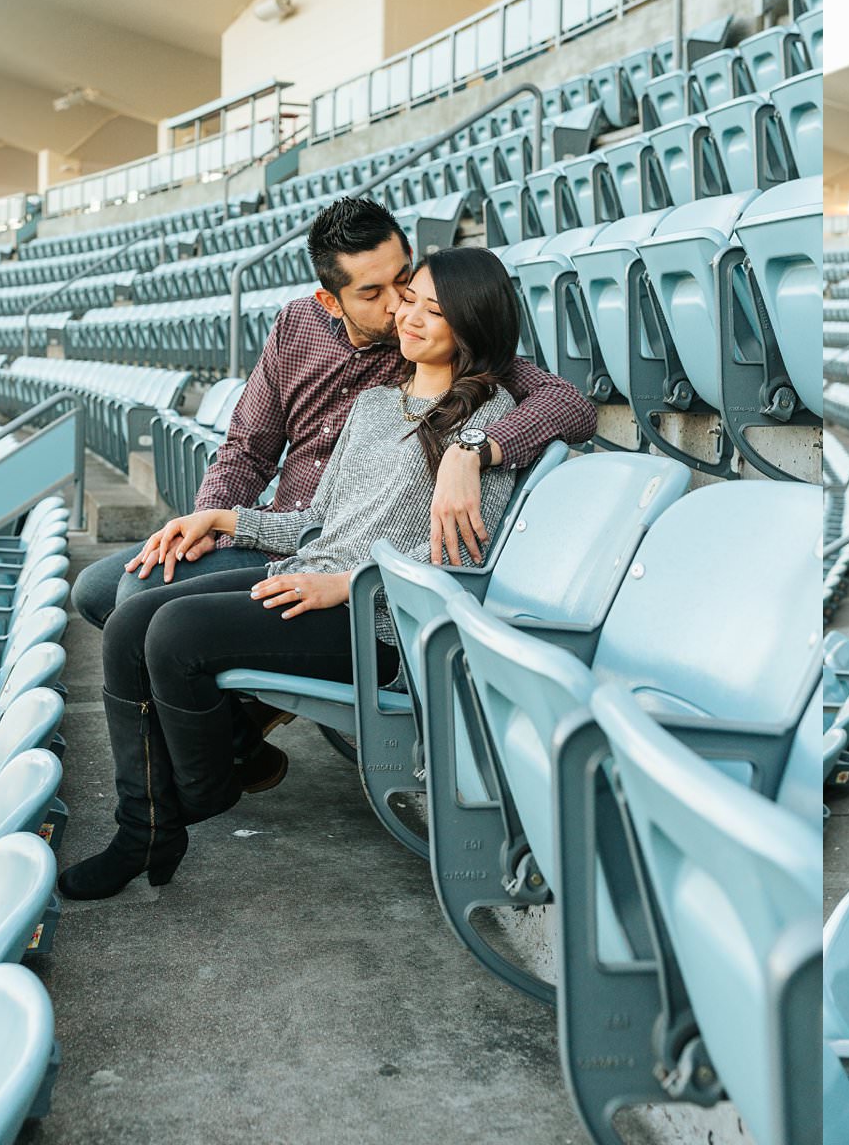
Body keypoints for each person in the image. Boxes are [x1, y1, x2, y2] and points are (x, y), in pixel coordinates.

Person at [70, 195, 596, 787]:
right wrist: (208, 522)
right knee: (99, 589)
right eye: (373, 294)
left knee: (140, 595)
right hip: (282, 530)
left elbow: (569, 405)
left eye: (403, 279)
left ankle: (225, 737)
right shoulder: (298, 325)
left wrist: (470, 451)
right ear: (331, 300)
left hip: (351, 552)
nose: (400, 304)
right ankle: (242, 744)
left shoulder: (432, 336)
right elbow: (247, 446)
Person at [58, 248, 525, 901]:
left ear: (474, 325)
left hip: (375, 622)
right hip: (310, 578)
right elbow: (316, 527)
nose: (407, 314)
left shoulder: (489, 424)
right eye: (410, 298)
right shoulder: (375, 406)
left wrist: (353, 584)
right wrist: (227, 521)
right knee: (131, 621)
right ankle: (148, 828)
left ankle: (200, 792)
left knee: (174, 633)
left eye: (433, 309)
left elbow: (461, 558)